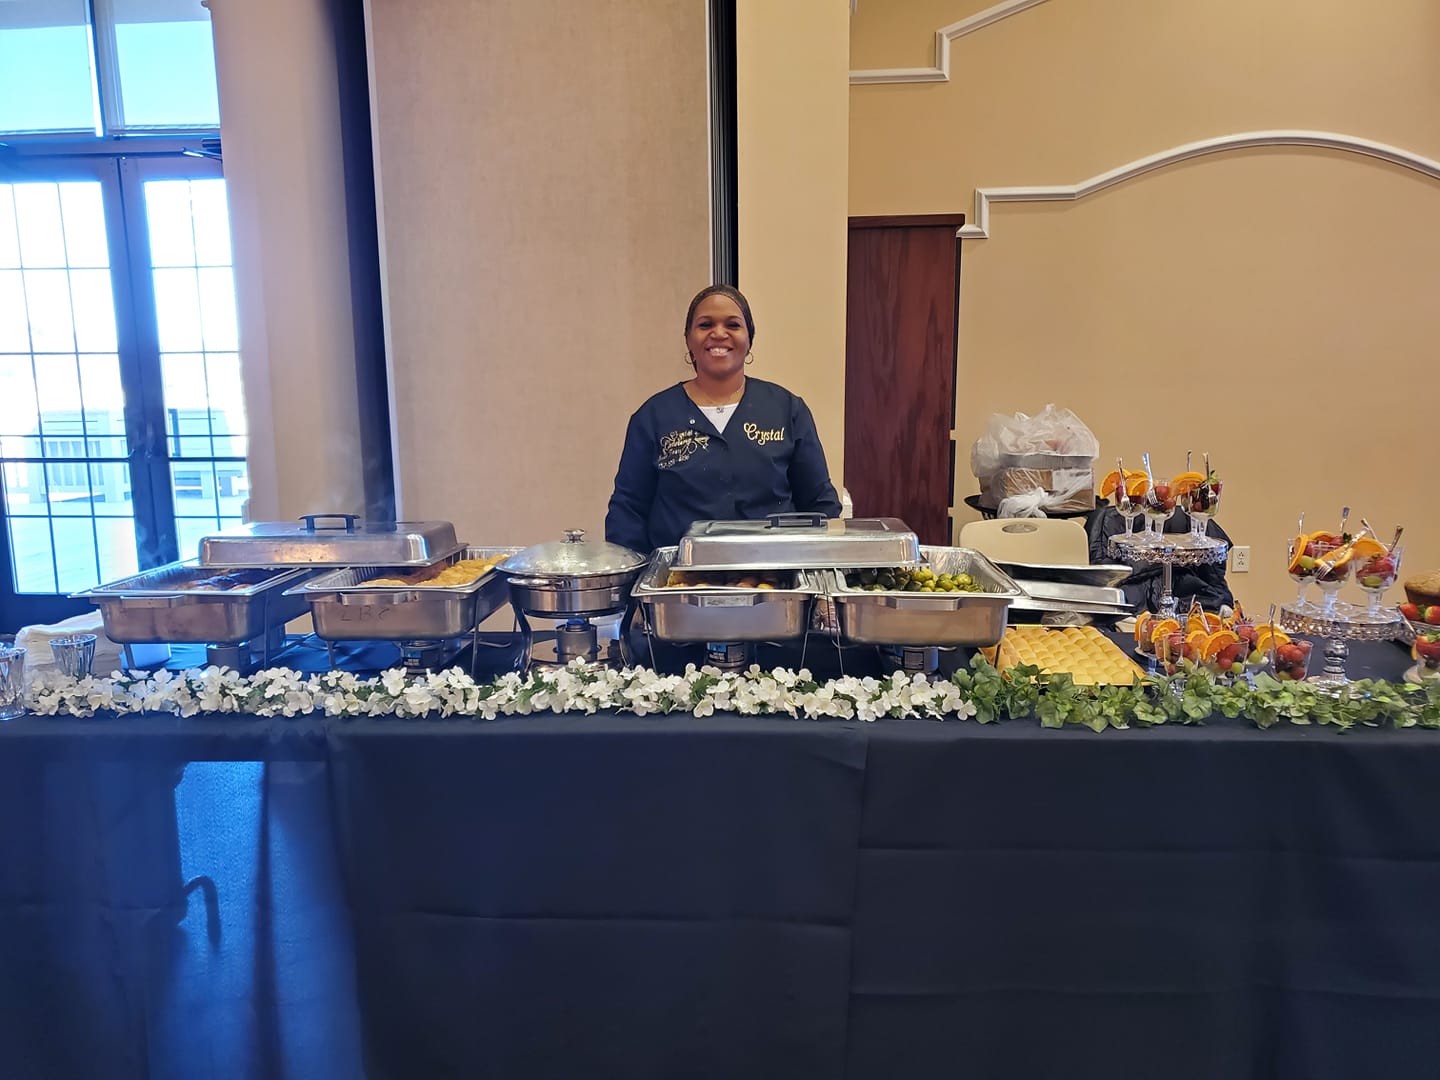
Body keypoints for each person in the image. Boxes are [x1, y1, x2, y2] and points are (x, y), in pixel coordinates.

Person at [605, 284, 841, 553]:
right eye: (705, 325)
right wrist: (635, 584)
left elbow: (820, 505)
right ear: (688, 339)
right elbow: (627, 512)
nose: (718, 334)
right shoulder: (653, 417)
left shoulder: (787, 410)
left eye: (733, 324)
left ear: (749, 338)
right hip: (678, 586)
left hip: (776, 580)